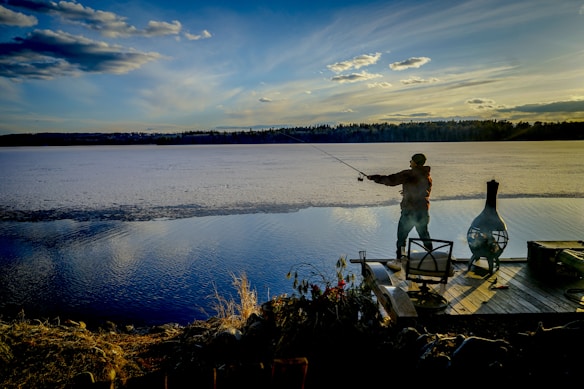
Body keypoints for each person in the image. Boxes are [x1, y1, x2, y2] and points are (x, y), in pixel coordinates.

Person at [367, 153, 432, 269]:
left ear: (415, 163)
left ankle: (399, 260)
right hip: (423, 210)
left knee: (402, 236)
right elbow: (422, 192)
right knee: (424, 234)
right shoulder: (428, 176)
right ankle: (432, 257)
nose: (410, 163)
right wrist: (407, 192)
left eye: (411, 161)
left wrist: (374, 178)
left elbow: (391, 180)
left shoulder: (409, 174)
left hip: (410, 211)